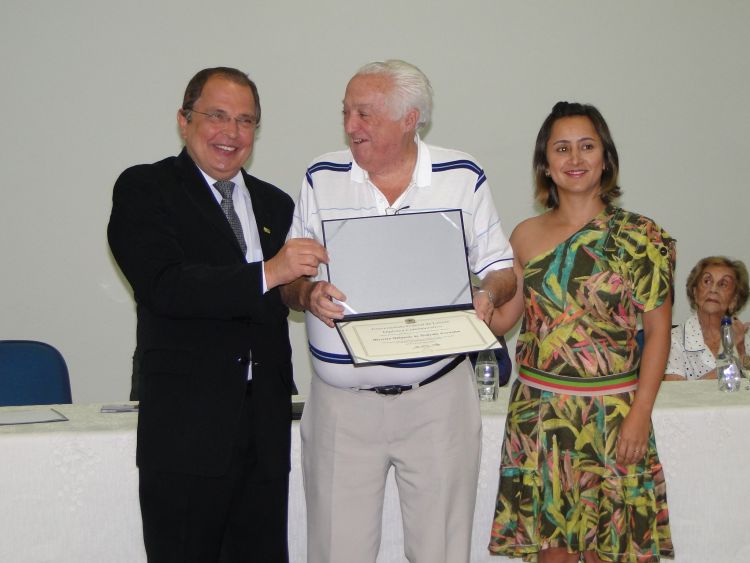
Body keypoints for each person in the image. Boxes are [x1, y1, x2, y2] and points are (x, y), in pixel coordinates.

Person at [280, 59, 516, 563]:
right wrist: (307, 294)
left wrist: (489, 294)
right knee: (336, 552)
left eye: (364, 114)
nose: (350, 126)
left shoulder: (462, 175)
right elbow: (289, 279)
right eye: (346, 112)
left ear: (410, 119)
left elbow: (502, 268)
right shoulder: (322, 176)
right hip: (341, 407)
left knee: (441, 551)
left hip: (437, 401)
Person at [107, 67, 327, 563]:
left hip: (265, 426)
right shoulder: (146, 188)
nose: (232, 132)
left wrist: (308, 294)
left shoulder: (276, 203)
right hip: (186, 428)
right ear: (184, 120)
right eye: (217, 116)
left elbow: (281, 291)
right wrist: (270, 271)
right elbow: (165, 286)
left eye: (246, 121)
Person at [487, 102, 675, 562]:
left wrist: (640, 413)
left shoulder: (640, 236)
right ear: (545, 163)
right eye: (562, 148)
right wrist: (454, 304)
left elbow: (658, 331)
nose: (575, 158)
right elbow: (503, 321)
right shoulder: (525, 235)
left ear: (605, 158)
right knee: (553, 554)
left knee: (612, 551)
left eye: (587, 146)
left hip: (614, 418)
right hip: (541, 419)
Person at [665, 256, 750, 380]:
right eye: (707, 281)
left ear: (734, 300)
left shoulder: (744, 339)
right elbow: (676, 390)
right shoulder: (673, 340)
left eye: (723, 284)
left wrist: (741, 350)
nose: (713, 290)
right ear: (695, 292)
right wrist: (729, 364)